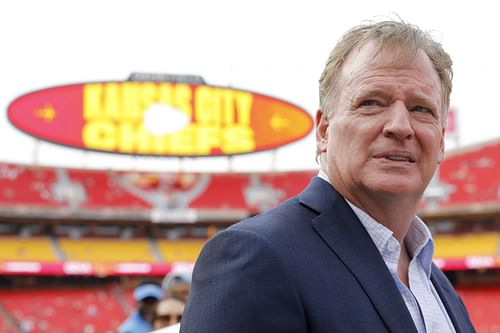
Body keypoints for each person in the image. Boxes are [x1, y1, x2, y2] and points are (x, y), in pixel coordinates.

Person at [180, 18, 475, 333]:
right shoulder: (257, 255)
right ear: (324, 131)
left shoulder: (437, 285)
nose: (400, 126)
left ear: (441, 141)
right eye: (372, 103)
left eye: (421, 109)